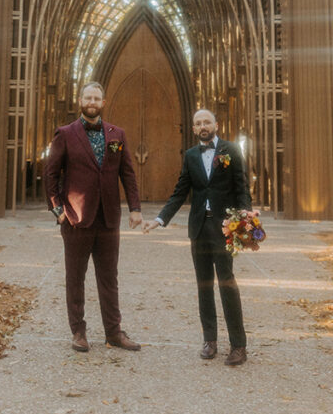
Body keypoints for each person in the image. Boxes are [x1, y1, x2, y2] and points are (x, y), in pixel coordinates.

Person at [143, 108, 251, 365]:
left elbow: (242, 187)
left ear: (216, 124)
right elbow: (180, 192)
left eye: (207, 121)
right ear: (193, 129)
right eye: (198, 123)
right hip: (199, 230)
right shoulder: (191, 156)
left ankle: (238, 345)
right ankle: (210, 340)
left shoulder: (231, 150)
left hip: (225, 228)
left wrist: (245, 214)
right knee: (204, 286)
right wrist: (160, 219)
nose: (203, 126)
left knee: (227, 283)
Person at [44, 81, 143, 352]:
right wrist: (58, 211)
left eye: (96, 98)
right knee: (75, 277)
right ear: (80, 100)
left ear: (103, 102)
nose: (92, 101)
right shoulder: (64, 134)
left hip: (108, 218)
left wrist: (135, 208)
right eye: (88, 97)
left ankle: (113, 332)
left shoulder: (117, 134)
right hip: (76, 219)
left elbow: (128, 174)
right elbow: (51, 174)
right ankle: (78, 331)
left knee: (109, 277)